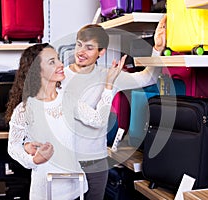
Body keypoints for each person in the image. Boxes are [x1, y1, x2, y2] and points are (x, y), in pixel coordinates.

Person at [60, 15, 167, 200]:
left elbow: (147, 78)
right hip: (68, 161)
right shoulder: (60, 76)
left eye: (89, 47)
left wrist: (157, 49)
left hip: (96, 162)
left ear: (101, 52)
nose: (81, 51)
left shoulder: (109, 76)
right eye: (79, 44)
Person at [5, 43, 127, 200]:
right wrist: (33, 160)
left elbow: (98, 120)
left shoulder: (68, 99)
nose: (61, 64)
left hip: (76, 189)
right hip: (45, 192)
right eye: (52, 62)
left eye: (58, 59)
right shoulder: (25, 109)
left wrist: (109, 85)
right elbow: (13, 146)